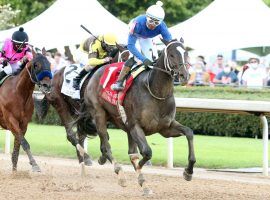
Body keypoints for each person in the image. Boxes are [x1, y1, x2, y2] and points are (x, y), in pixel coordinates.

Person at [111, 1, 173, 91]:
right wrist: (143, 59)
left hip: (146, 38)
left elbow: (170, 43)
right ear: (147, 17)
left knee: (152, 59)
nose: (152, 25)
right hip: (135, 36)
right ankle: (119, 81)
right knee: (134, 57)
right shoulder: (137, 24)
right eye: (151, 21)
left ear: (160, 22)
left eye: (156, 23)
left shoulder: (162, 27)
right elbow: (131, 46)